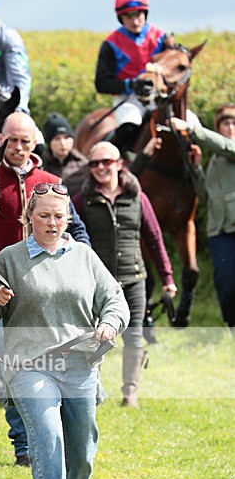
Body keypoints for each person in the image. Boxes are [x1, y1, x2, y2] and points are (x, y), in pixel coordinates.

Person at [0, 184, 129, 479]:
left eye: (59, 216)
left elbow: (115, 300)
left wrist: (109, 323)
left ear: (69, 219)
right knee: (48, 439)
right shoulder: (8, 259)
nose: (52, 222)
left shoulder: (85, 258)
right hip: (29, 364)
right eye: (43, 215)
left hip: (79, 362)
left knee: (83, 450)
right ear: (28, 218)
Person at [0, 111, 91, 465]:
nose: (18, 147)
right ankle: (24, 444)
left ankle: (46, 436)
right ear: (0, 140)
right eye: (11, 140)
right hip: (0, 288)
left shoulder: (51, 182)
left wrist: (84, 264)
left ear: (35, 143)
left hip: (50, 292)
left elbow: (78, 231)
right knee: (13, 368)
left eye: (25, 141)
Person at [73, 141, 177, 407]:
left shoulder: (138, 197)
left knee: (133, 336)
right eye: (94, 163)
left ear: (119, 164)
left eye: (106, 162)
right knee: (93, 337)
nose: (100, 168)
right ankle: (92, 390)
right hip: (97, 282)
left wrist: (167, 278)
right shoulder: (82, 200)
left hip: (134, 279)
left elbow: (155, 239)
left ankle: (130, 393)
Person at [170, 105, 235, 327]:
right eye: (226, 124)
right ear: (218, 128)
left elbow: (227, 146)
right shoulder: (215, 162)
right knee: (226, 285)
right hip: (220, 234)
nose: (231, 127)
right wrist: (197, 169)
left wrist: (192, 129)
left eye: (234, 123)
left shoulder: (230, 149)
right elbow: (206, 198)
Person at [94, 0, 169, 157]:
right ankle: (109, 160)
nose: (135, 21)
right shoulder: (110, 44)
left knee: (189, 123)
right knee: (129, 127)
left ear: (145, 13)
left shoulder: (161, 38)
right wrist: (132, 85)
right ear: (121, 18)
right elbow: (101, 83)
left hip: (159, 97)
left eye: (138, 15)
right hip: (129, 100)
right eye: (129, 16)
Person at [41, 113, 88, 197]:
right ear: (49, 142)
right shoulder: (41, 165)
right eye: (57, 139)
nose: (62, 143)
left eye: (66, 138)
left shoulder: (84, 164)